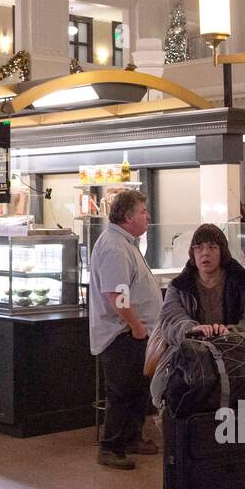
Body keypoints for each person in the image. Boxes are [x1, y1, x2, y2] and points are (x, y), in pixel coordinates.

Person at [148, 223, 245, 404]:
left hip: (236, 354)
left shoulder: (243, 282)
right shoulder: (180, 286)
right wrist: (193, 330)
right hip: (191, 354)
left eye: (212, 247)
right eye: (199, 247)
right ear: (192, 253)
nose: (205, 253)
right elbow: (171, 319)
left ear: (222, 251)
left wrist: (230, 332)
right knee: (173, 391)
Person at [89, 189, 161, 470]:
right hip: (123, 334)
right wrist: (137, 325)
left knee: (137, 389)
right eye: (143, 211)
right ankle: (111, 447)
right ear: (128, 216)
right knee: (121, 390)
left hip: (135, 332)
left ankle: (131, 438)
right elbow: (116, 296)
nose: (147, 216)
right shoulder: (114, 247)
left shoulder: (126, 243)